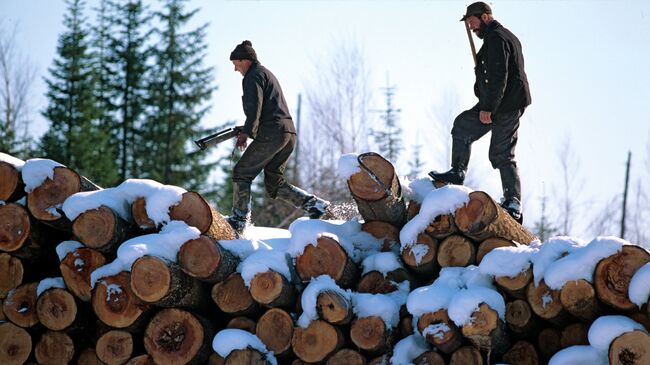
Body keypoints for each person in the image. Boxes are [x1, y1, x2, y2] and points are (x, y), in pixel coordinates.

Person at [429, 2, 531, 223]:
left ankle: (513, 203)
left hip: (506, 106)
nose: (472, 28)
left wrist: (488, 108)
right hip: (496, 102)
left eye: (473, 22)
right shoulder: (497, 37)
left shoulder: (498, 38)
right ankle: (457, 171)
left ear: (485, 17)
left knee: (501, 154)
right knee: (463, 126)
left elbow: (498, 76)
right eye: (469, 24)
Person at [227, 40, 329, 234]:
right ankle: (315, 206)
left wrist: (246, 133)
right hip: (288, 133)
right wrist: (247, 128)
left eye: (235, 63)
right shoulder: (265, 73)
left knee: (242, 172)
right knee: (274, 183)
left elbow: (255, 108)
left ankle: (239, 220)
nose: (235, 69)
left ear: (245, 60)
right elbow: (268, 111)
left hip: (273, 133)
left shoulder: (252, 76)